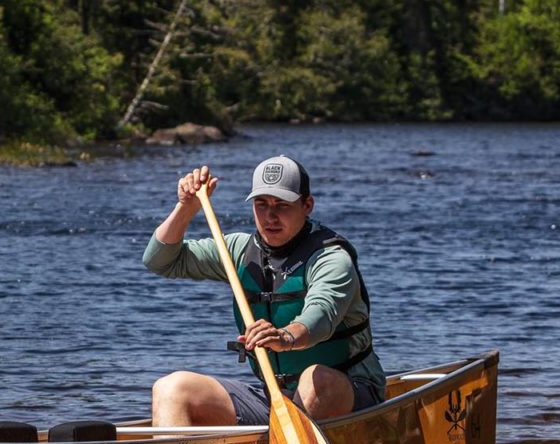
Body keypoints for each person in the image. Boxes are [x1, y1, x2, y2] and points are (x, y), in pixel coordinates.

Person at [143, 154, 385, 428]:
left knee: (314, 380)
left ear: (307, 205)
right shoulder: (237, 251)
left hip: (349, 394)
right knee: (171, 389)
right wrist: (187, 207)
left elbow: (320, 317)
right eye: (261, 204)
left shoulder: (331, 259)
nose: (270, 216)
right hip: (277, 399)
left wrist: (284, 337)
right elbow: (159, 260)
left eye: (282, 205)